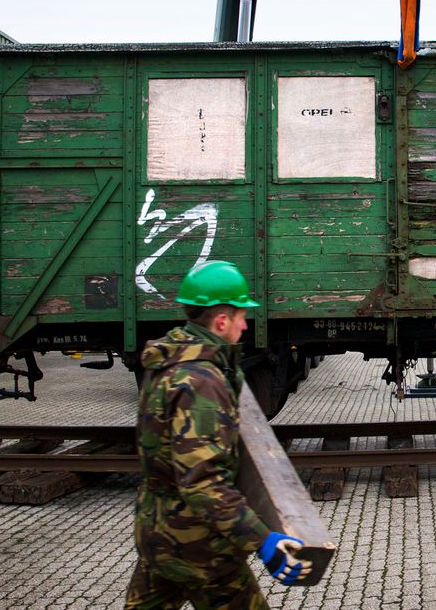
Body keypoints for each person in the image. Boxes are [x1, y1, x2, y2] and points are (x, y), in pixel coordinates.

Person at [125, 260, 312, 609]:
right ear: (222, 321)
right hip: (198, 547)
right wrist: (263, 541)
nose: (245, 324)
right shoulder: (200, 383)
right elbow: (203, 481)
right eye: (241, 316)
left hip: (157, 532)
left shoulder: (167, 362)